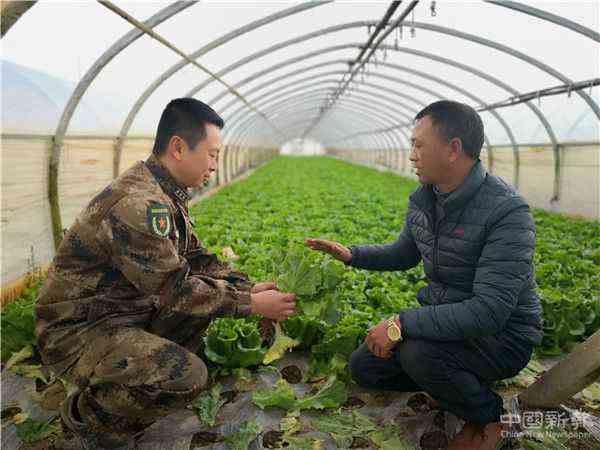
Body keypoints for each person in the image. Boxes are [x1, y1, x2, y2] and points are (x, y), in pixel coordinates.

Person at [35, 98, 296, 449]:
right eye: (212, 155)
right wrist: (251, 304)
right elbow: (175, 289)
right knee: (189, 375)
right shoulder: (138, 204)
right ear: (178, 147)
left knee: (201, 315)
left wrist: (248, 288)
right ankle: (88, 416)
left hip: (122, 311)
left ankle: (124, 388)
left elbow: (195, 259)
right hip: (77, 330)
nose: (215, 165)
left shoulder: (165, 192)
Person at [306, 100, 542, 450]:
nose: (412, 155)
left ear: (453, 149)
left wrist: (400, 324)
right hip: (448, 325)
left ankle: (494, 415)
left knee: (417, 354)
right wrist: (352, 255)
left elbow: (489, 312)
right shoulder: (425, 199)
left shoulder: (507, 212)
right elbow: (404, 253)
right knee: (366, 367)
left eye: (419, 145)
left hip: (501, 338)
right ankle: (455, 384)